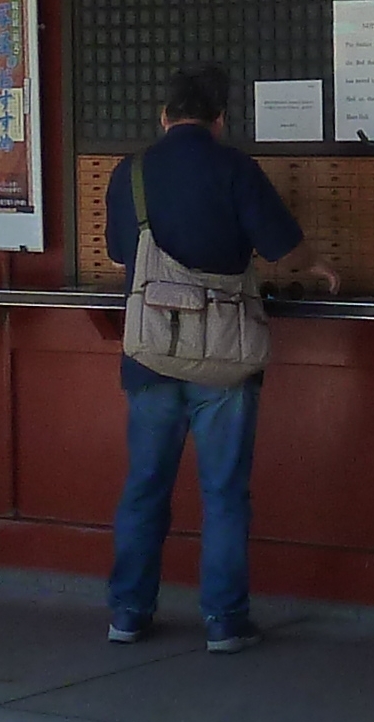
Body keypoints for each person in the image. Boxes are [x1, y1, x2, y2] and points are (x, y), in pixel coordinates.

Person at [103, 64, 332, 654]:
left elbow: (116, 252)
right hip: (225, 359)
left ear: (163, 115)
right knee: (224, 492)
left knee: (144, 486)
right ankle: (225, 621)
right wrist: (319, 267)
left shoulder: (130, 175)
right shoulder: (236, 169)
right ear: (221, 118)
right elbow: (285, 248)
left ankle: (128, 612)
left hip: (152, 355)